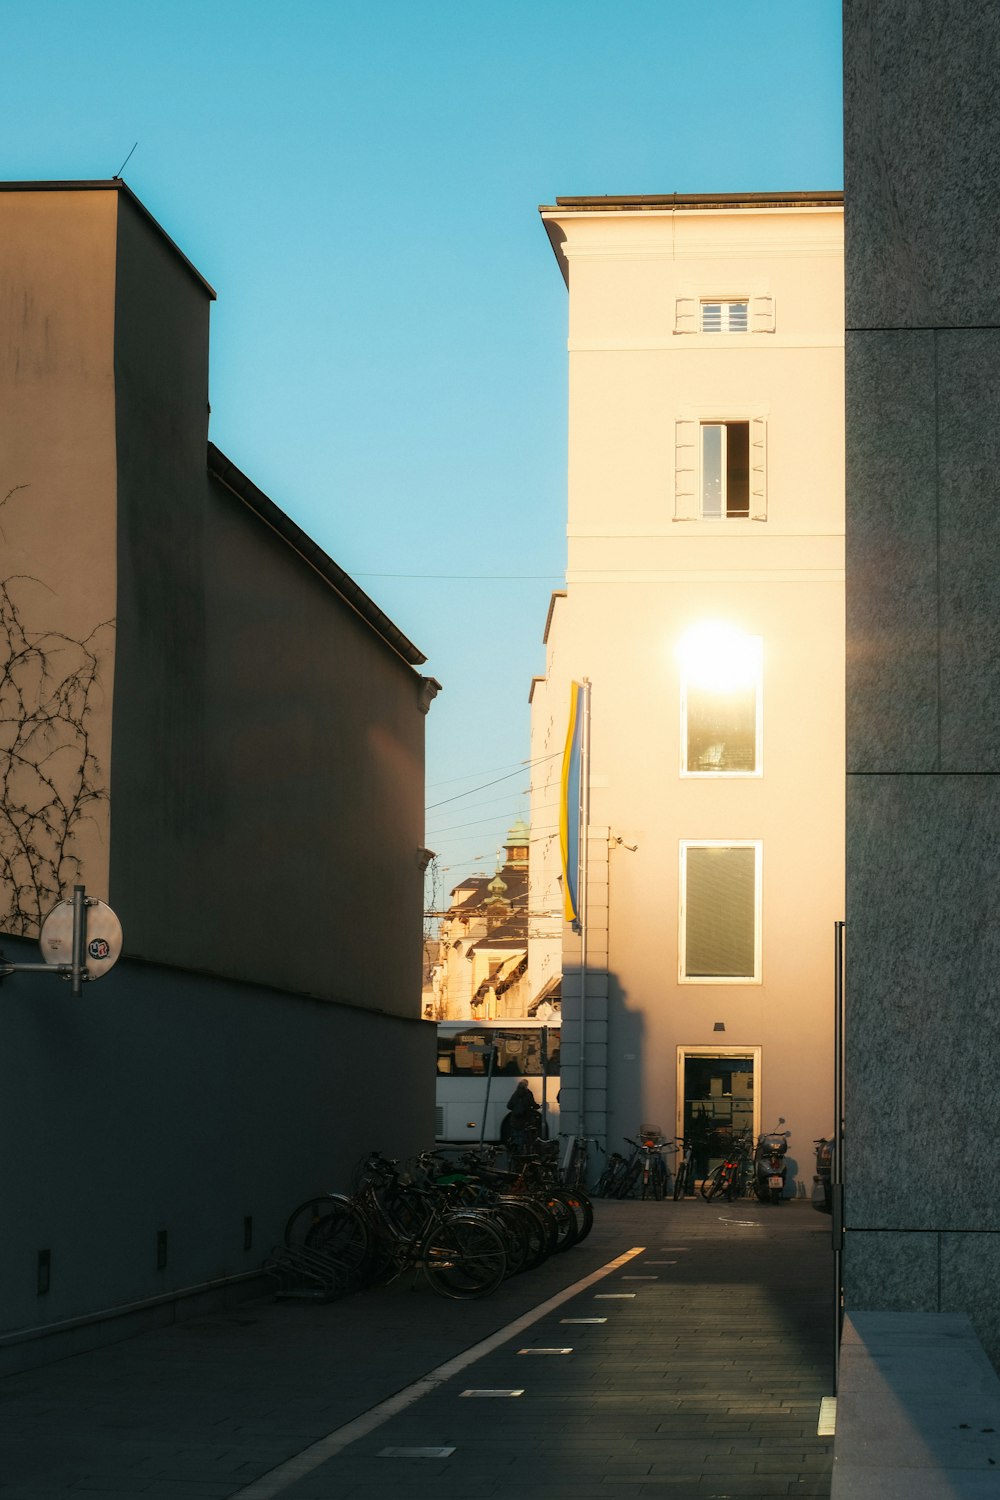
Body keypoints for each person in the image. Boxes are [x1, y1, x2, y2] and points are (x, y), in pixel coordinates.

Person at [504, 1079, 540, 1157]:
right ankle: (521, 1153)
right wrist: (537, 1106)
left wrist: (516, 1109)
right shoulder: (528, 1093)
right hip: (524, 1119)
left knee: (515, 1135)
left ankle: (514, 1149)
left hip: (514, 1120)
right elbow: (533, 1104)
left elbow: (509, 1106)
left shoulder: (515, 1094)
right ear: (526, 1085)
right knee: (523, 1136)